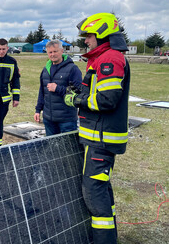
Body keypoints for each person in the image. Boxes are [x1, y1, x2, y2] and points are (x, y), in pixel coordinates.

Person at [64, 13, 130, 244]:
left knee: (93, 192)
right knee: (101, 188)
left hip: (102, 139)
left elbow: (107, 100)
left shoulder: (110, 58)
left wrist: (77, 101)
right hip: (99, 138)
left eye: (89, 36)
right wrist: (79, 93)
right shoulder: (102, 58)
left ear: (102, 34)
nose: (85, 41)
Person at [34, 39, 82, 136]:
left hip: (66, 120)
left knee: (69, 150)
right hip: (48, 119)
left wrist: (58, 89)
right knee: (52, 149)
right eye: (50, 52)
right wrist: (38, 110)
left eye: (55, 51)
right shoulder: (45, 69)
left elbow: (79, 93)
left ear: (62, 51)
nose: (52, 54)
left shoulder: (73, 69)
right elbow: (42, 91)